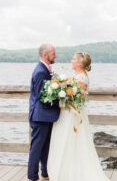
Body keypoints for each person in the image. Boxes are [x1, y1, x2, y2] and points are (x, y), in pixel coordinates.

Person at [47, 52, 110, 181]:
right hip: (69, 113)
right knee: (67, 141)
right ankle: (66, 171)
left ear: (80, 63)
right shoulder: (77, 76)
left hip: (73, 115)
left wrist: (63, 99)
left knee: (72, 141)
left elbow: (79, 99)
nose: (71, 60)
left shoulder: (82, 78)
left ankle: (72, 173)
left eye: (74, 59)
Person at [27, 44, 61, 181]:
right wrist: (60, 102)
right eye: (53, 53)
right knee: (36, 148)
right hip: (40, 116)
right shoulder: (41, 71)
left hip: (45, 116)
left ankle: (45, 174)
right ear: (46, 55)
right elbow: (43, 98)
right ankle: (32, 177)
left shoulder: (45, 69)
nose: (55, 55)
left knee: (45, 148)